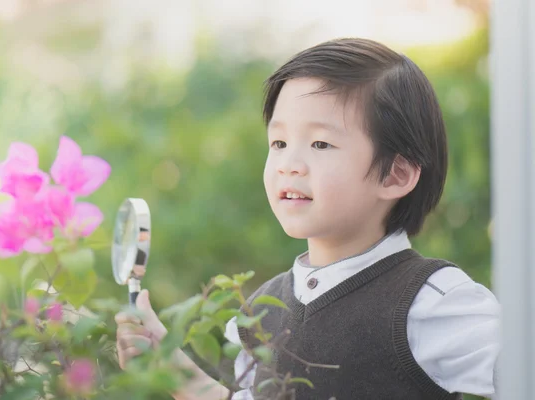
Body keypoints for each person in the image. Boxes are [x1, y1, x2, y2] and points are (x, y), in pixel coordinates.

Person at [115, 38, 500, 400]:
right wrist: (171, 368)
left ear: (395, 174)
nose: (289, 165)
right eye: (279, 143)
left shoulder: (430, 303)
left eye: (320, 144)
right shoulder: (260, 310)